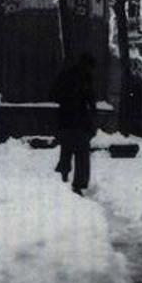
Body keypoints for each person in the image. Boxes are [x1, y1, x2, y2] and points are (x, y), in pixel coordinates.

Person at [51, 54, 97, 195]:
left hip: (65, 118)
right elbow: (90, 98)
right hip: (80, 120)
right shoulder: (85, 77)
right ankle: (78, 184)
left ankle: (64, 175)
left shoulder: (65, 75)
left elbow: (53, 94)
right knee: (82, 153)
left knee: (67, 149)